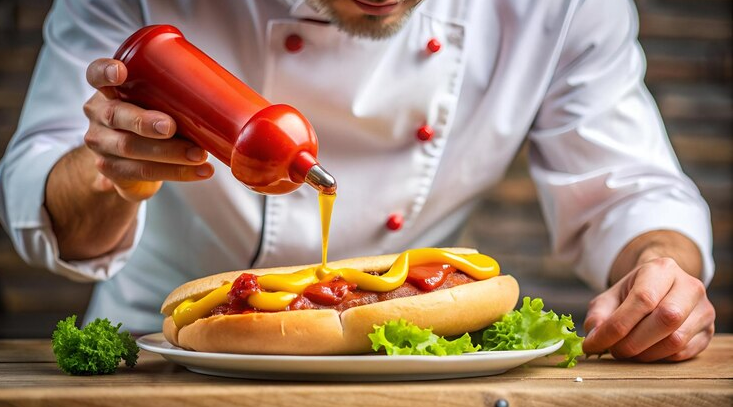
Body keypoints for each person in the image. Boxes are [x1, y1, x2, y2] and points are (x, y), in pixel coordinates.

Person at [0, 0, 716, 362]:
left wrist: (661, 272)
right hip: (157, 363)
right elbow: (43, 210)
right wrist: (109, 174)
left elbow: (630, 190)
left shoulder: (560, 8)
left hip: (403, 375)